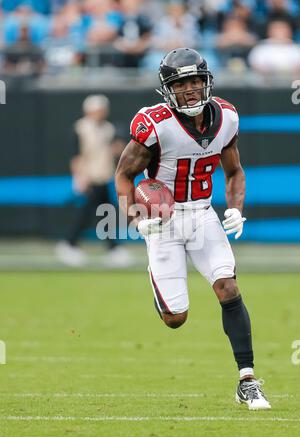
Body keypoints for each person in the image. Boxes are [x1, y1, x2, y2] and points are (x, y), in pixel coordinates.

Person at [115, 47, 271, 410]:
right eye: (182, 84)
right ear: (168, 89)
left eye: (196, 81)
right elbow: (124, 174)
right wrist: (137, 218)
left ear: (207, 82)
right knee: (175, 319)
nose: (190, 90)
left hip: (202, 214)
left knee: (227, 286)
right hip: (164, 222)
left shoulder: (227, 118)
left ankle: (247, 379)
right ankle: (158, 276)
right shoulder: (154, 123)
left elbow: (234, 171)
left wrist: (234, 208)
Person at [56, 94, 131, 267]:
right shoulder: (81, 128)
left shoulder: (108, 128)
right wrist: (79, 177)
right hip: (89, 177)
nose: (102, 113)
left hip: (103, 176)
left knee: (102, 211)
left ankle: (109, 248)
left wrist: (118, 149)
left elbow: (113, 152)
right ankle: (71, 243)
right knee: (93, 213)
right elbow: (76, 155)